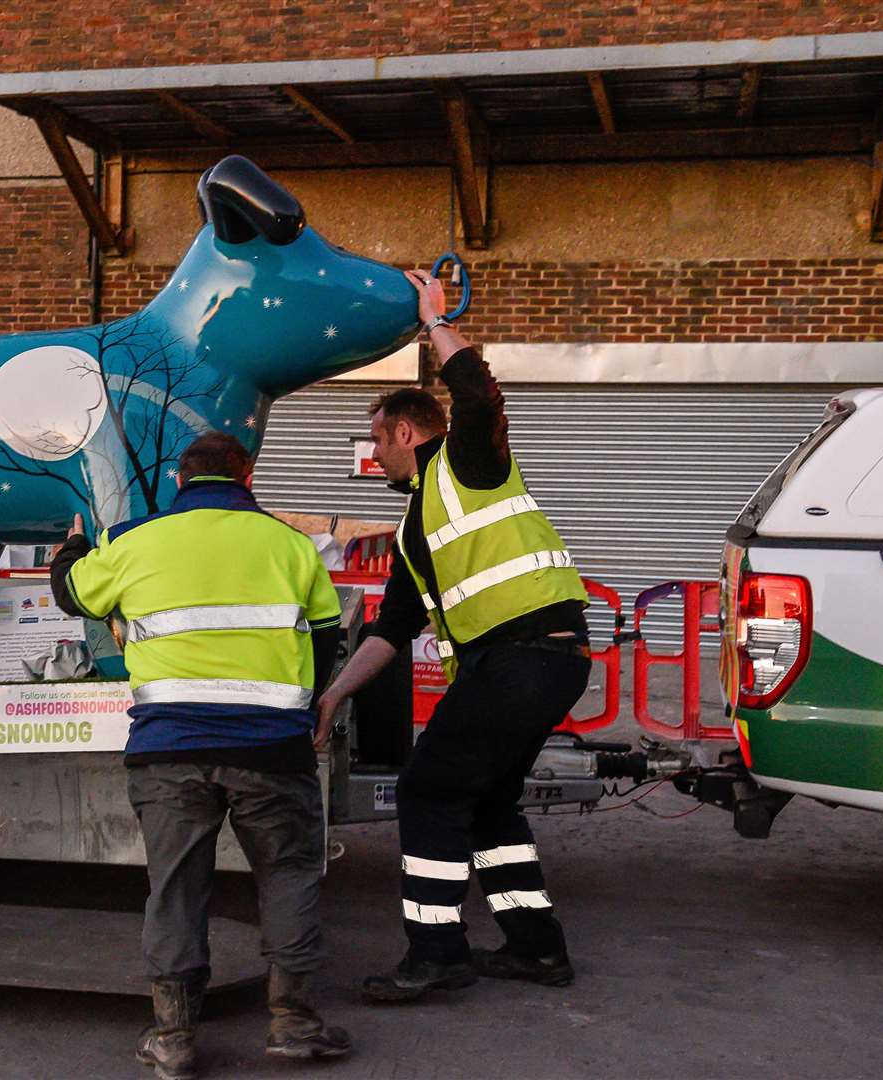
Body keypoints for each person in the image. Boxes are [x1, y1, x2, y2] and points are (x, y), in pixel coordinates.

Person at [315, 272, 593, 1002]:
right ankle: (537, 950)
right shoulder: (416, 525)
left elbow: (480, 396)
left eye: (377, 440)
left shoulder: (466, 462)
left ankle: (437, 952)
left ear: (406, 431)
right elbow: (392, 630)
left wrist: (433, 319)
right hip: (535, 661)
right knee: (488, 803)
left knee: (428, 792)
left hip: (521, 656)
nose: (374, 455)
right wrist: (334, 696)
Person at [50, 432, 352, 1080]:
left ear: (177, 480)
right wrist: (306, 709)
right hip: (273, 747)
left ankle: (175, 1036)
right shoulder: (292, 546)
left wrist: (72, 547)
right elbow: (326, 636)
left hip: (170, 750)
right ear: (246, 474)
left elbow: (72, 593)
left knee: (177, 888)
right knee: (289, 875)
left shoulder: (134, 541)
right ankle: (294, 1023)